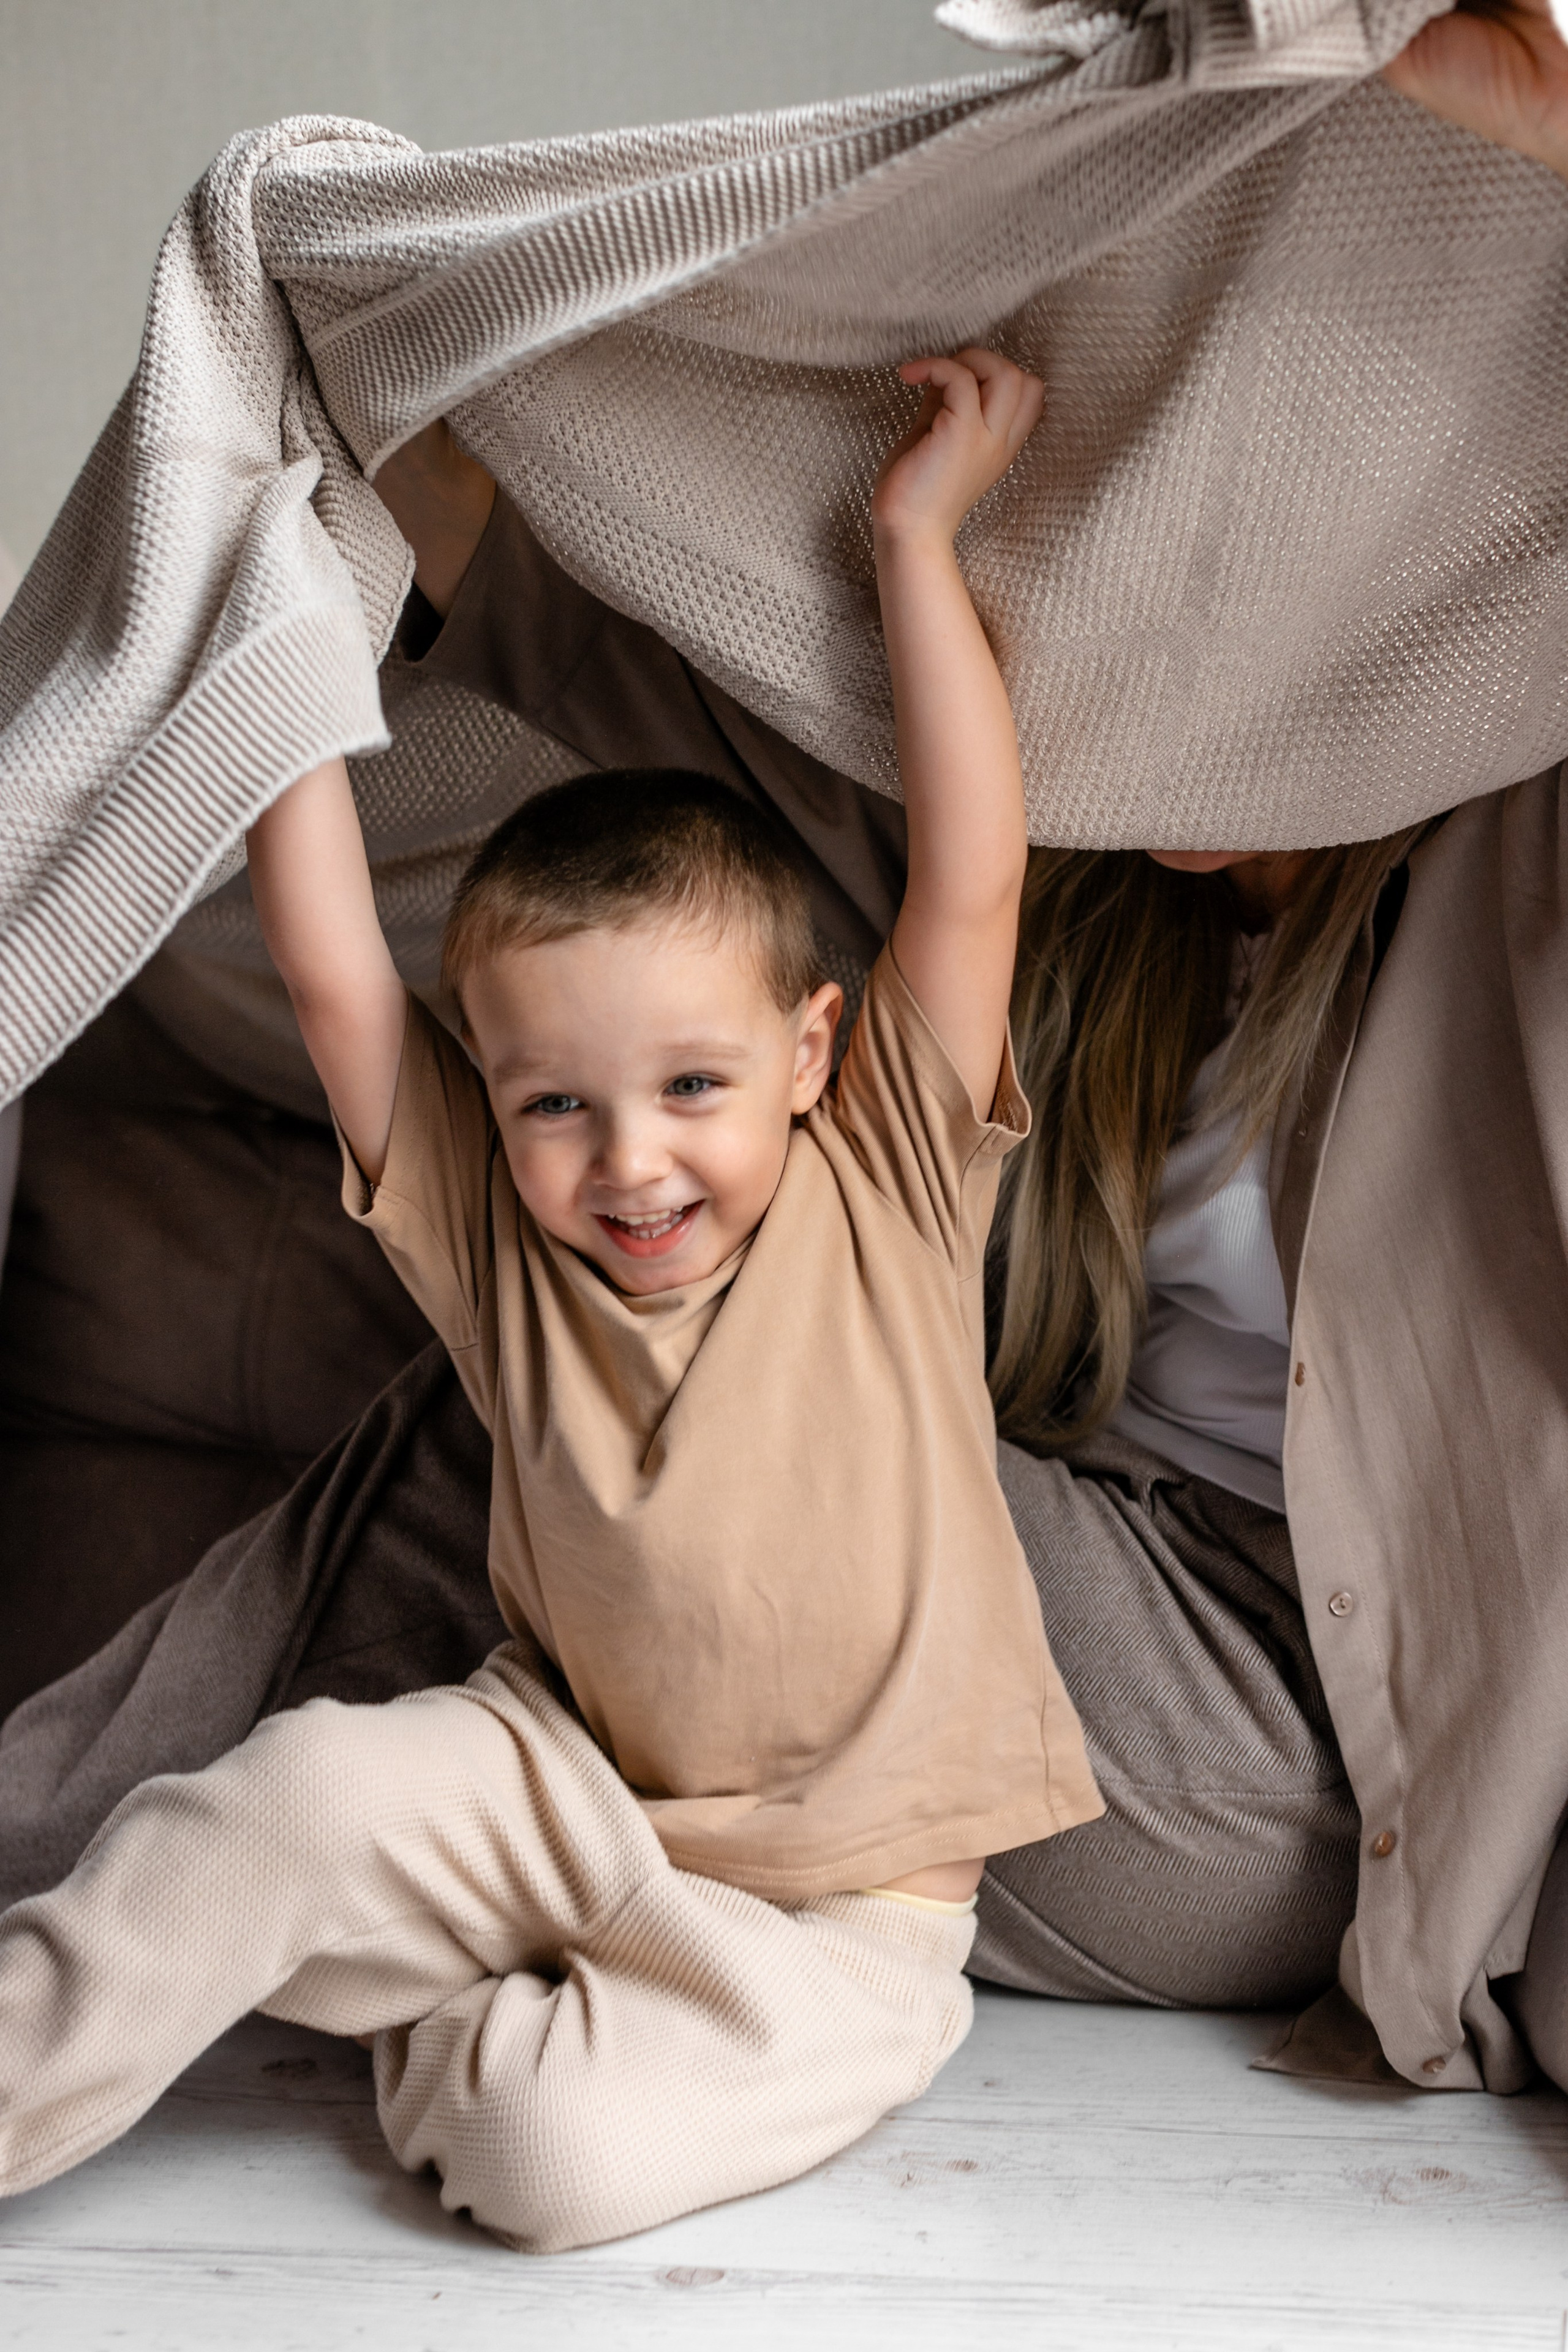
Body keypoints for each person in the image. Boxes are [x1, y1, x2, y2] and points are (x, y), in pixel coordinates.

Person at [6, 0, 1568, 2112]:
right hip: (1011, 1569)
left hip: (1287, 1744)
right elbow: (635, 653)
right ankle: (369, 1933)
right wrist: (344, 371)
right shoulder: (1081, 870)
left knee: (629, 1382)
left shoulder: (1515, 876)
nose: (1175, 692)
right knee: (582, 1343)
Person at [0, 351, 1107, 2248]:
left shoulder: (889, 1177)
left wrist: (919, 538)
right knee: (276, 1805)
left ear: (810, 1053)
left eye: (691, 1087)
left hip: (844, 1918)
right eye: (555, 1106)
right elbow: (338, 977)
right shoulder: (502, 1237)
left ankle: (463, 2005)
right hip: (561, 1790)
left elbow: (973, 879)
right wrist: (290, 623)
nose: (630, 1163)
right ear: (497, 1101)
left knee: (541, 2155)